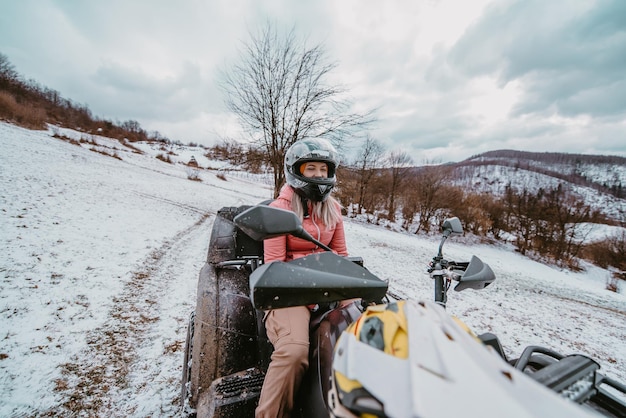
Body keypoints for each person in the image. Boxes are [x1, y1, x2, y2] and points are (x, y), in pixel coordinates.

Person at [255, 138, 348, 418]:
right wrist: (311, 282)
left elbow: (341, 255)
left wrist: (351, 296)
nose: (319, 175)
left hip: (328, 288)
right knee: (294, 351)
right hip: (288, 292)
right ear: (296, 170)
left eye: (324, 169)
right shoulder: (279, 210)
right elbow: (274, 265)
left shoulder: (334, 209)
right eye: (312, 169)